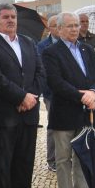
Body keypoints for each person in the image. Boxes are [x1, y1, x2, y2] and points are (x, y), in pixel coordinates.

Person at [42, 12, 95, 188]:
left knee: (83, 155)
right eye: (69, 26)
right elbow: (56, 82)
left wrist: (94, 92)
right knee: (63, 158)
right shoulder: (51, 52)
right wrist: (82, 96)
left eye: (76, 25)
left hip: (87, 112)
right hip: (64, 113)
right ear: (59, 29)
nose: (74, 29)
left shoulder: (87, 49)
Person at [0, 3, 45, 188]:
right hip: (5, 112)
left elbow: (40, 72)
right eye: (6, 17)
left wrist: (31, 97)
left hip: (29, 112)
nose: (11, 20)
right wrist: (20, 97)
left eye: (13, 16)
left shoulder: (28, 42)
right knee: (4, 159)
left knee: (25, 158)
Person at [36, 13, 59, 172]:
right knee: (53, 127)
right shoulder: (42, 46)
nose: (59, 28)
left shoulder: (69, 43)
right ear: (50, 28)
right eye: (56, 26)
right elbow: (41, 70)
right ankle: (52, 159)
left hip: (69, 93)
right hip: (51, 93)